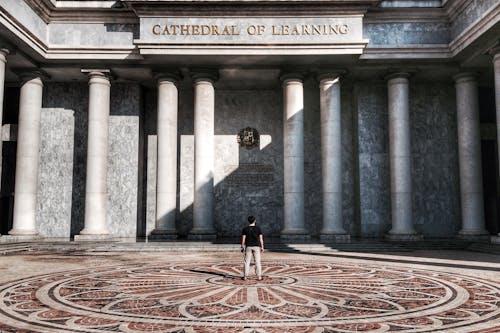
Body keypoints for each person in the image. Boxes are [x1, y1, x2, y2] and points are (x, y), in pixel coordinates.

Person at [241, 215, 264, 281]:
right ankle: (259, 276)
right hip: (256, 246)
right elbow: (261, 239)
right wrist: (262, 247)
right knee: (257, 262)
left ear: (248, 221)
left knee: (246, 262)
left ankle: (245, 276)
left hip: (248, 246)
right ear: (255, 221)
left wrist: (242, 246)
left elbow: (243, 239)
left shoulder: (245, 229)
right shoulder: (258, 228)